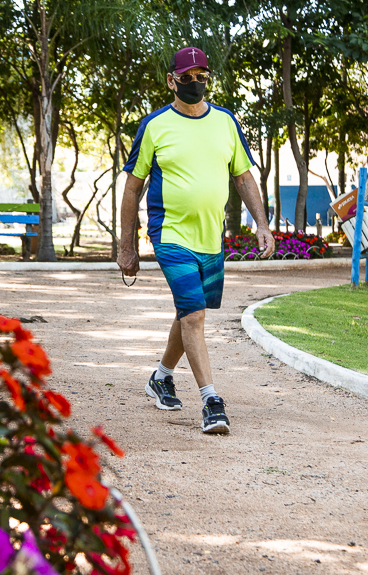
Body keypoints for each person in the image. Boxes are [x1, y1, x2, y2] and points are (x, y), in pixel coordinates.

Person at [117, 46, 275, 434]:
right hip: (169, 234)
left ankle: (161, 376)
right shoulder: (154, 126)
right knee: (195, 314)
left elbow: (243, 177)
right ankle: (211, 401)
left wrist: (262, 223)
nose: (194, 83)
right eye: (186, 77)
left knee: (189, 312)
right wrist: (127, 245)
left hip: (210, 238)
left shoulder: (226, 122)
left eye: (201, 75)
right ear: (172, 80)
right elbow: (133, 188)